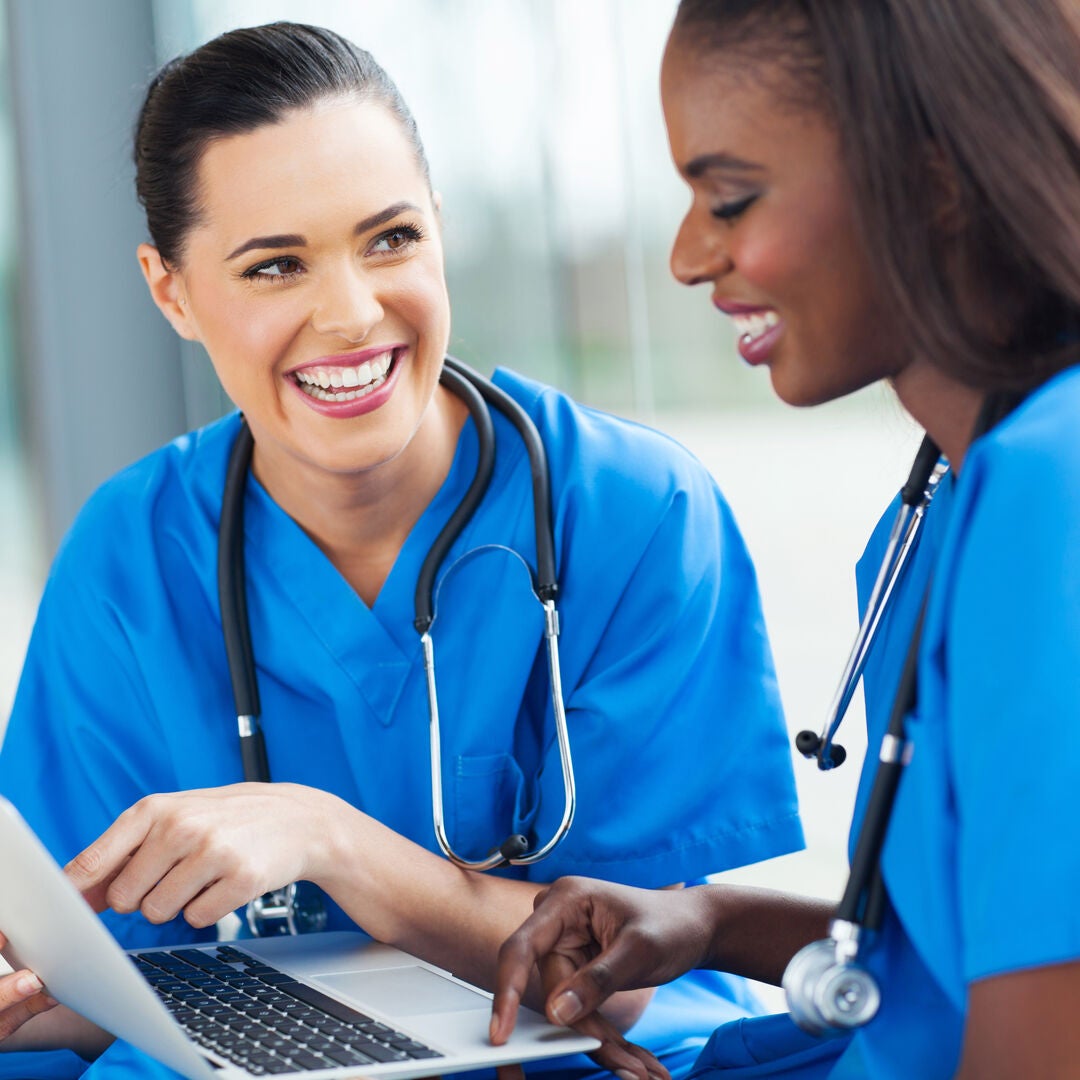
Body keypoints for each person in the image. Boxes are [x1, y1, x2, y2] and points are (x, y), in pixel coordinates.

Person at [0, 21, 804, 1080]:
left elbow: (642, 965)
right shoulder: (134, 558)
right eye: (276, 266)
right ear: (171, 291)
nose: (350, 313)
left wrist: (330, 841)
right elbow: (111, 974)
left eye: (390, 240)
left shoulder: (631, 510)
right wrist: (40, 998)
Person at [489, 1, 1080, 1077]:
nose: (684, 255)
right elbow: (972, 956)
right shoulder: (946, 503)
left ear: (935, 174)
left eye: (728, 197)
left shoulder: (1058, 494)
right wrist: (711, 921)